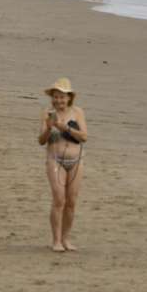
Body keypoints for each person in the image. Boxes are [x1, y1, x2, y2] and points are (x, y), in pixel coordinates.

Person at [38, 78, 87, 253]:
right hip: (55, 160)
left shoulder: (78, 112)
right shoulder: (47, 113)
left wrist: (64, 127)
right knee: (59, 200)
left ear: (69, 98)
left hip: (76, 161)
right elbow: (41, 141)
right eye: (56, 97)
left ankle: (66, 238)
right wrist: (49, 128)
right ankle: (56, 240)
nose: (59, 100)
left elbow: (84, 137)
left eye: (62, 97)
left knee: (71, 202)